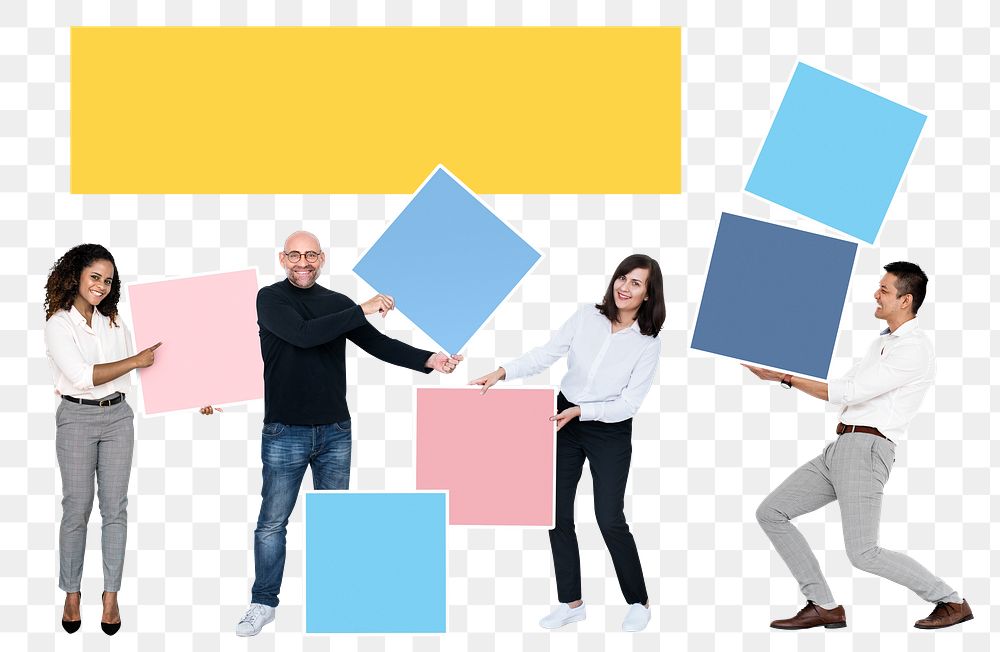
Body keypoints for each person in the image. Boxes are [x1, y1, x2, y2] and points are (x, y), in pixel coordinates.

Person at [209, 231, 463, 637]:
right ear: (282, 258)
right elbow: (303, 334)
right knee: (272, 523)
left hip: (334, 432)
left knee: (335, 521)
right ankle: (263, 603)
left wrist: (429, 359)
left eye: (310, 254)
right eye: (294, 255)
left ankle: (336, 601)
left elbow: (379, 344)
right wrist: (362, 308)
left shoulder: (339, 303)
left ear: (322, 258)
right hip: (284, 431)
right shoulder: (270, 299)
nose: (302, 261)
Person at [746, 262, 973, 630]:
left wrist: (785, 378)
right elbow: (840, 391)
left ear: (906, 300)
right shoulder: (881, 343)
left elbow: (850, 392)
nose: (876, 294)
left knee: (864, 553)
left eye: (884, 289)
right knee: (771, 512)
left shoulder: (914, 349)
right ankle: (823, 604)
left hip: (867, 450)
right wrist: (783, 373)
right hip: (840, 448)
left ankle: (949, 600)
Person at [471, 254, 665, 632]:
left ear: (648, 294)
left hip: (609, 426)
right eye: (622, 278)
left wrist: (582, 411)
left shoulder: (648, 341)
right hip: (564, 419)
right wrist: (502, 372)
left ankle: (639, 601)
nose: (624, 287)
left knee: (609, 518)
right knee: (554, 512)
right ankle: (571, 602)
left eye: (636, 283)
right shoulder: (586, 316)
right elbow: (547, 354)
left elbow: (629, 403)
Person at [43, 244, 161, 636]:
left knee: (116, 510)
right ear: (75, 275)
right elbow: (80, 375)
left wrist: (200, 395)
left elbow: (149, 366)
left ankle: (111, 595)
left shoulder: (113, 320)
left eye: (108, 280)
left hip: (118, 417)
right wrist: (135, 361)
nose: (101, 286)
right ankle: (72, 592)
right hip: (76, 417)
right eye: (95, 277)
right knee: (77, 508)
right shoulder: (59, 323)